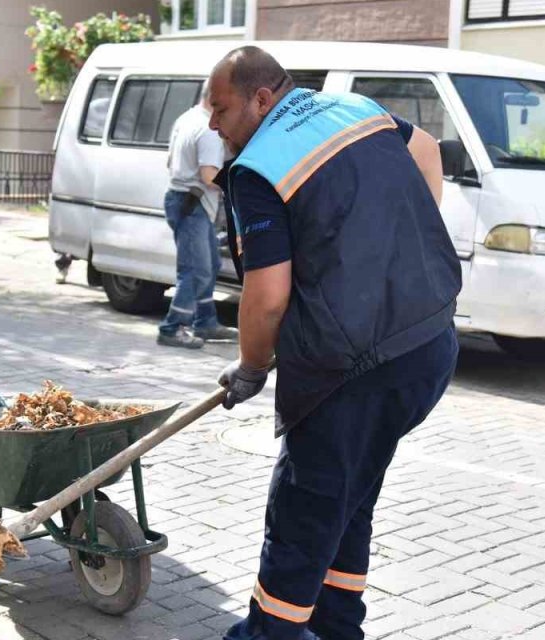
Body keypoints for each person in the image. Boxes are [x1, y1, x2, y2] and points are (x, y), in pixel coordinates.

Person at [210, 47, 461, 639]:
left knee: (303, 513)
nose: (214, 124)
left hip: (352, 374)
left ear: (261, 99)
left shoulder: (258, 167)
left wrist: (251, 366)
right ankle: (337, 627)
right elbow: (427, 150)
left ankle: (270, 635)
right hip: (428, 344)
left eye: (220, 109)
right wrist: (391, 252)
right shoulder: (355, 109)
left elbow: (267, 298)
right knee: (350, 498)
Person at [157, 85, 239, 349]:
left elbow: (170, 162)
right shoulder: (209, 130)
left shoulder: (187, 118)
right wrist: (238, 183)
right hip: (193, 204)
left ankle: (205, 321)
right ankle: (172, 327)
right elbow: (208, 176)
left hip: (182, 200)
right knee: (194, 269)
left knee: (210, 264)